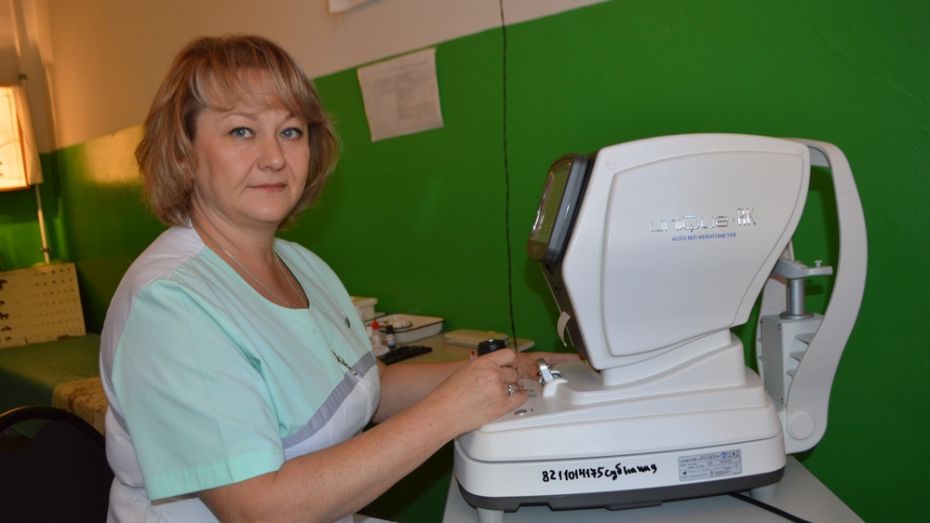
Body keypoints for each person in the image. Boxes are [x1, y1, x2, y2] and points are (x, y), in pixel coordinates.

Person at [100, 34, 576, 523]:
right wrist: (448, 411)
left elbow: (369, 387)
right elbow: (260, 509)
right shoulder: (170, 304)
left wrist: (499, 372)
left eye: (290, 131)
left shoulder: (302, 265)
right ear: (184, 152)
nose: (274, 157)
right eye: (242, 131)